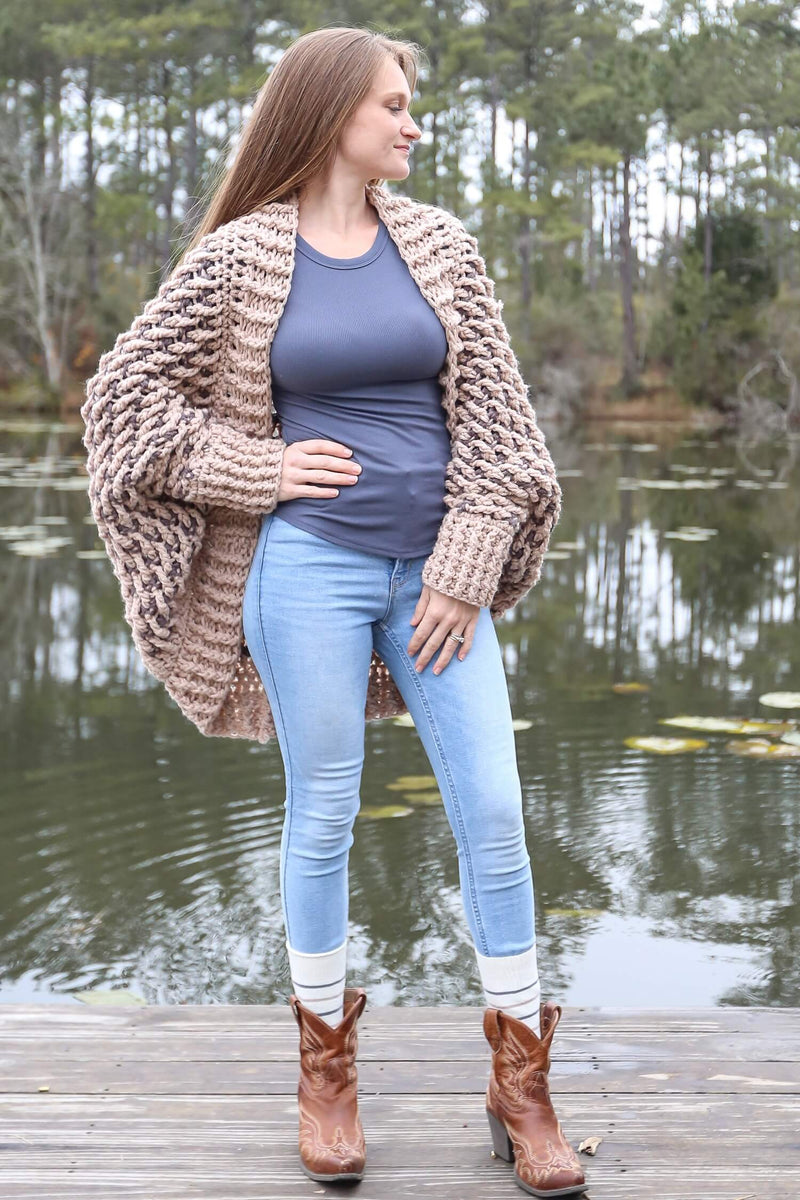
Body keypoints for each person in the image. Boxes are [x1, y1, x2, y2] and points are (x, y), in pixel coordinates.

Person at [80, 24, 588, 1199]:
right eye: (393, 105)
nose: (413, 123)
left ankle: (520, 1086)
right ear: (328, 114)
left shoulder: (441, 248)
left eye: (411, 105)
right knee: (321, 813)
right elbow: (124, 401)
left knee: (495, 812)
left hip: (435, 582)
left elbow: (505, 437)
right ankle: (324, 1075)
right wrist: (257, 470)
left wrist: (464, 566)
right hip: (305, 570)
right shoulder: (239, 259)